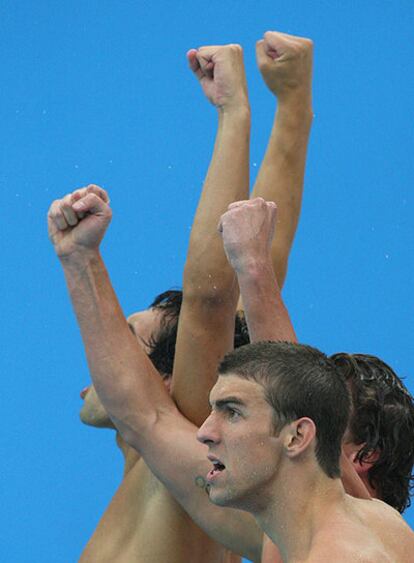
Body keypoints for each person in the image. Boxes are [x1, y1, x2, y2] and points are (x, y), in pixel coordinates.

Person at [50, 32, 313, 562]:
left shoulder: (192, 452)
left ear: (170, 382)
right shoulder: (155, 473)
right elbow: (259, 257)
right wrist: (291, 105)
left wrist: (234, 112)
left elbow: (212, 299)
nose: (104, 349)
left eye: (127, 339)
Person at [197, 340, 414, 562]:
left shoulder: (339, 555)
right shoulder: (382, 520)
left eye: (233, 412)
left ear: (298, 436)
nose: (203, 432)